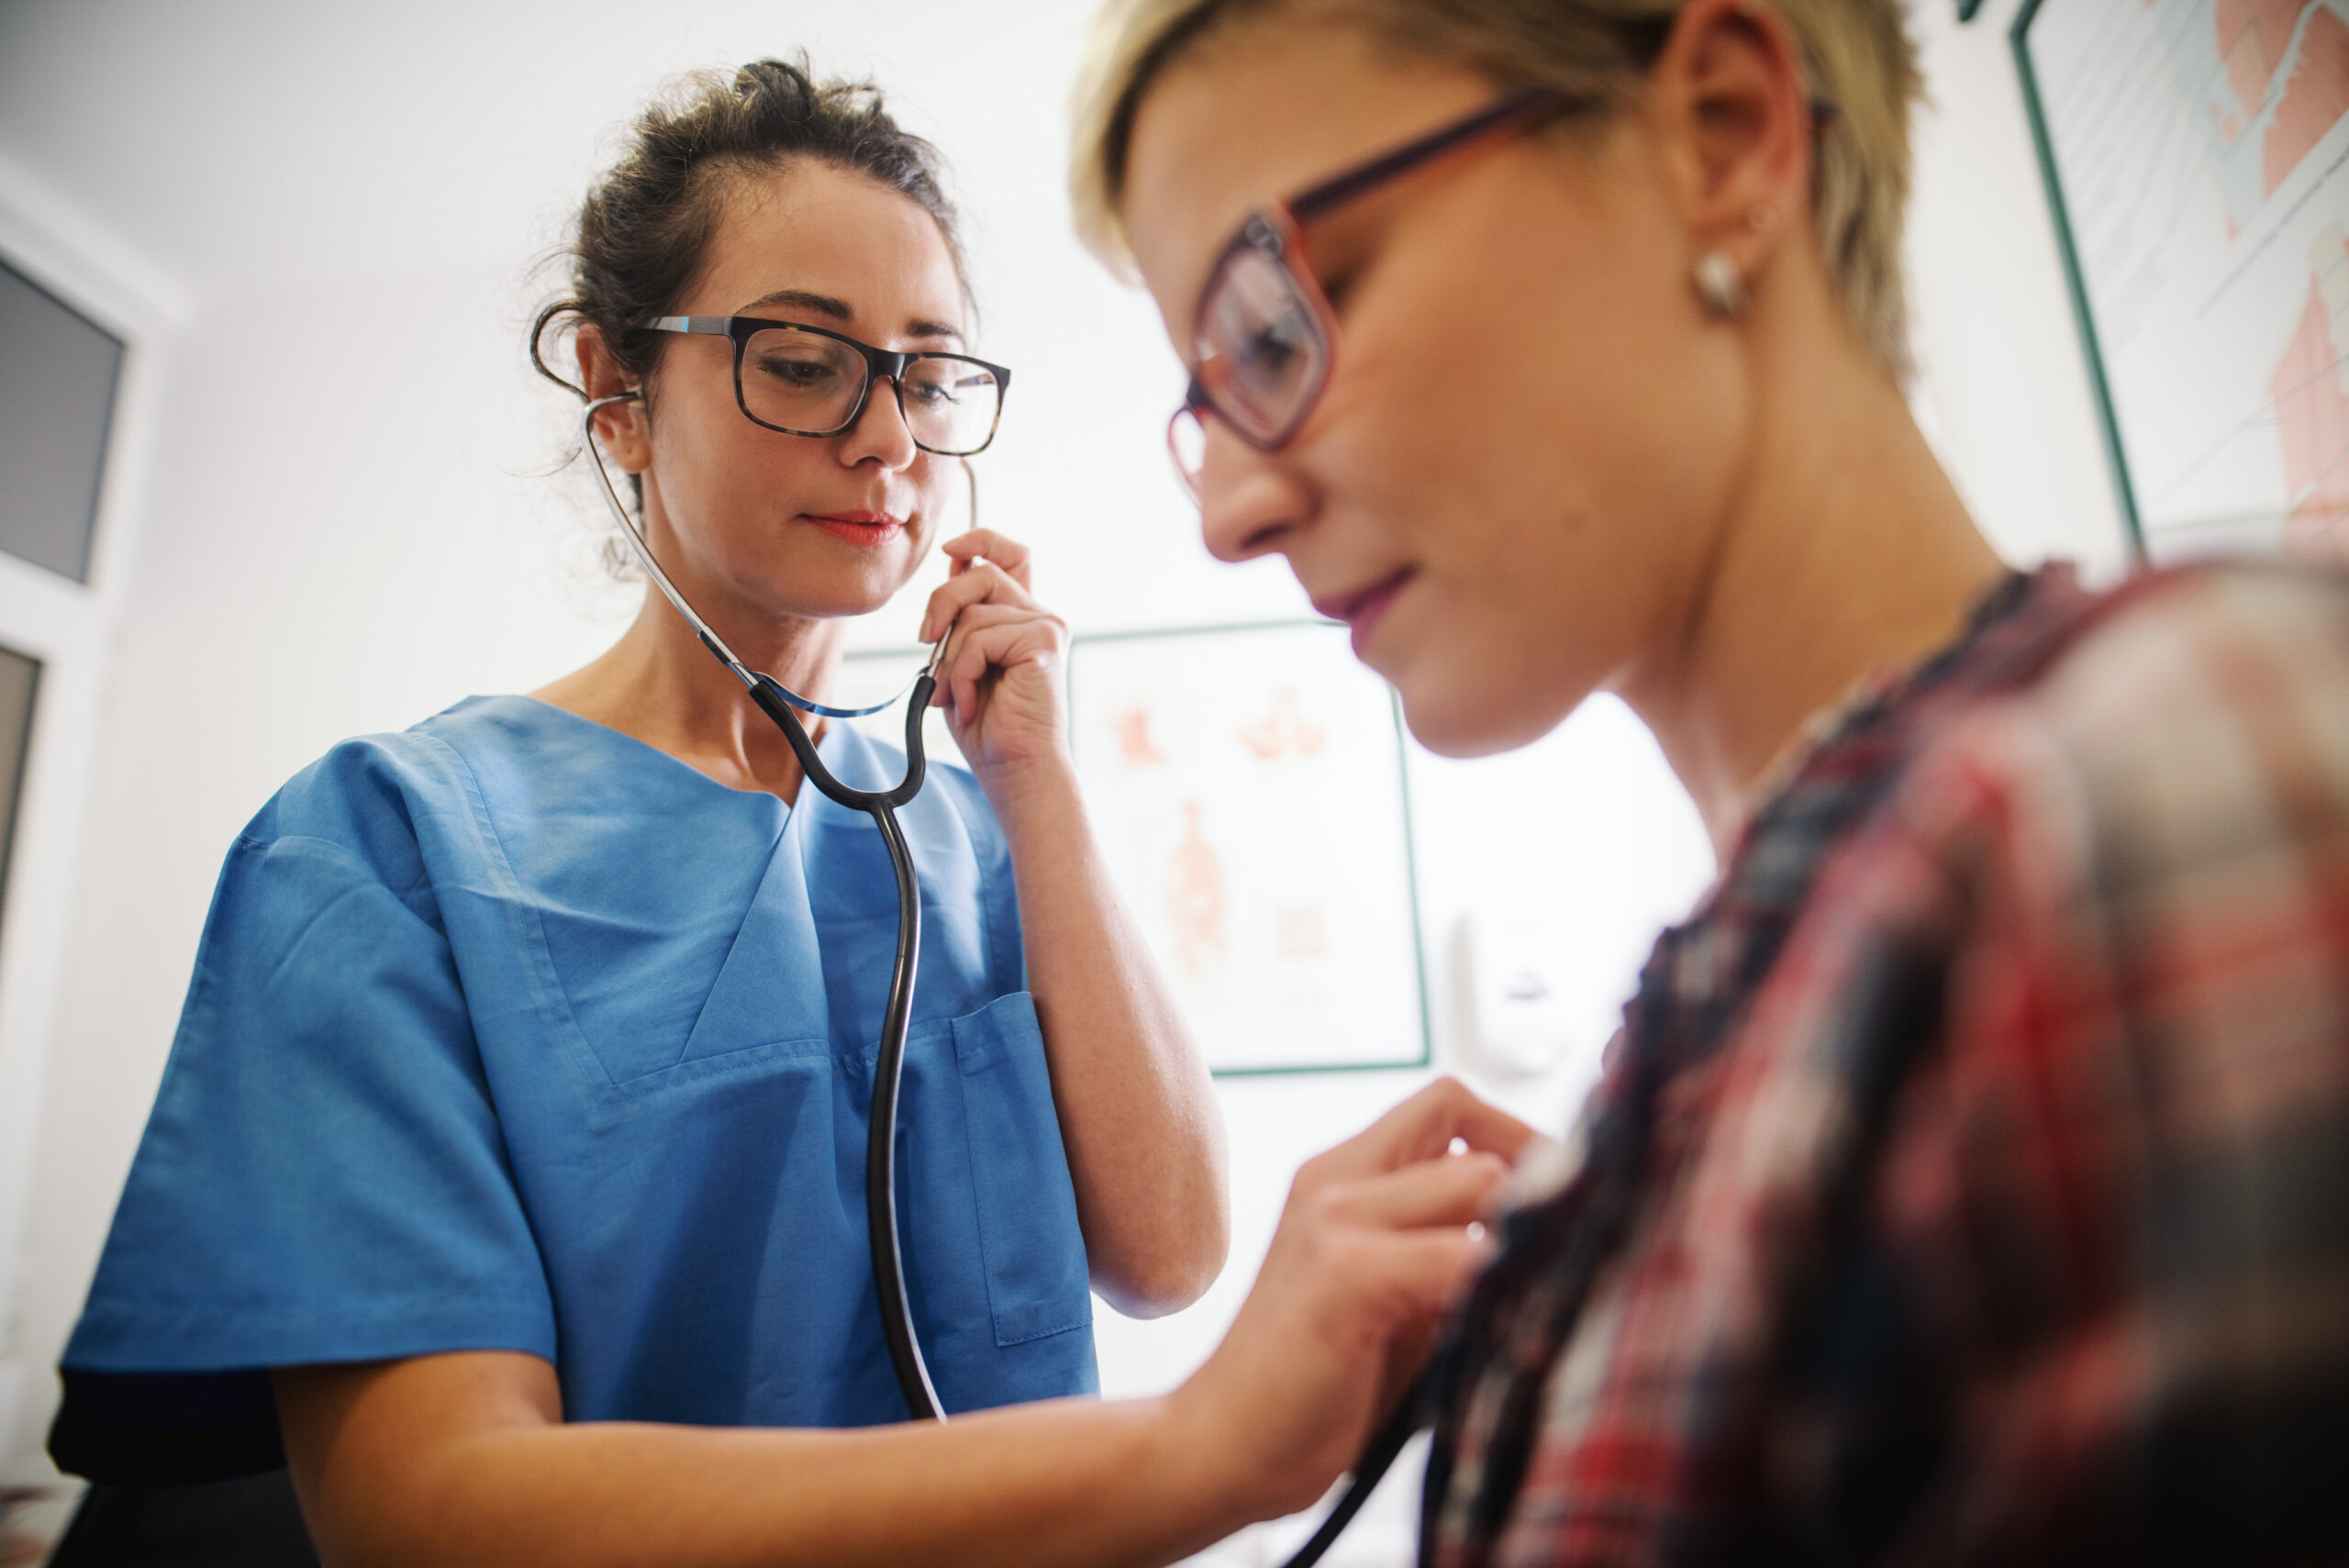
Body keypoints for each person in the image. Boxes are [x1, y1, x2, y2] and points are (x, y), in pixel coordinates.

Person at [44, 55, 1483, 1568]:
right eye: (803, 360)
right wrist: (1187, 1458)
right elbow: (427, 1516)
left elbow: (1168, 1254)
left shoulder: (979, 819)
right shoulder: (383, 848)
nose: (890, 441)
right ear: (617, 393)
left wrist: (1039, 784)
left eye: (928, 374)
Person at [1070, 0, 2349, 1562]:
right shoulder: (1753, 1003)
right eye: (1204, 407)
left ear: (1722, 132)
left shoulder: (2149, 793)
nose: (1231, 514)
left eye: (1273, 329)